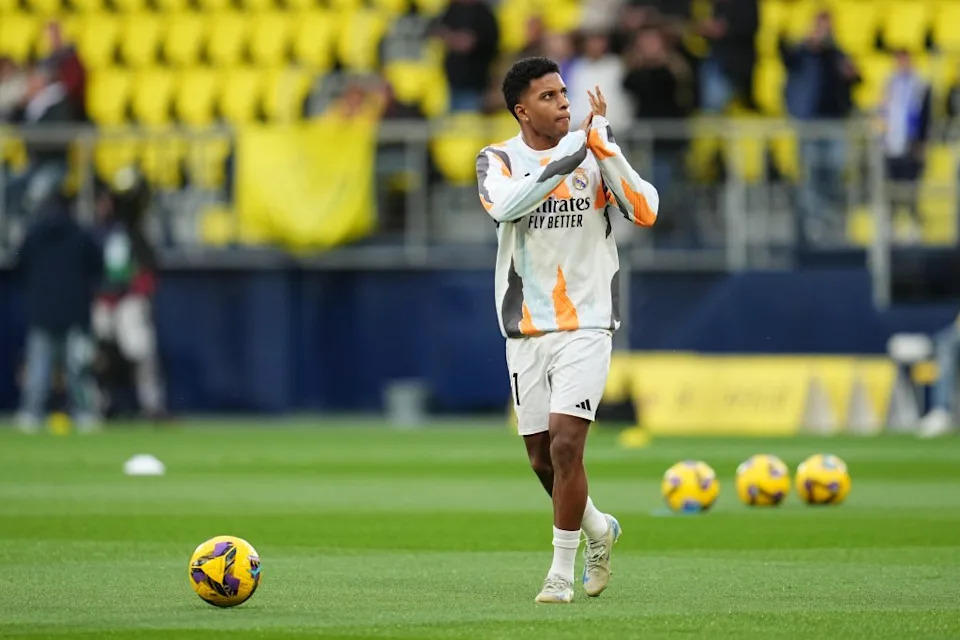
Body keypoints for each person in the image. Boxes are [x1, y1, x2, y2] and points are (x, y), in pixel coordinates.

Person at [474, 57, 659, 603]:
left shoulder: (593, 153)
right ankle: (599, 528)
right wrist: (575, 150)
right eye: (549, 96)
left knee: (566, 442)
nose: (563, 104)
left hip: (588, 321)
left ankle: (560, 572)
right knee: (540, 457)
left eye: (564, 94)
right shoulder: (496, 159)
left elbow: (646, 210)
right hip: (527, 327)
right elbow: (506, 207)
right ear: (521, 110)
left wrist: (606, 148)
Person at [13, 190, 103, 433]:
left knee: (39, 367)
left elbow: (20, 266)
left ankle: (31, 413)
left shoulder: (33, 234)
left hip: (42, 310)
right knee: (78, 368)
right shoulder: (81, 234)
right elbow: (98, 267)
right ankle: (84, 414)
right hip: (75, 310)